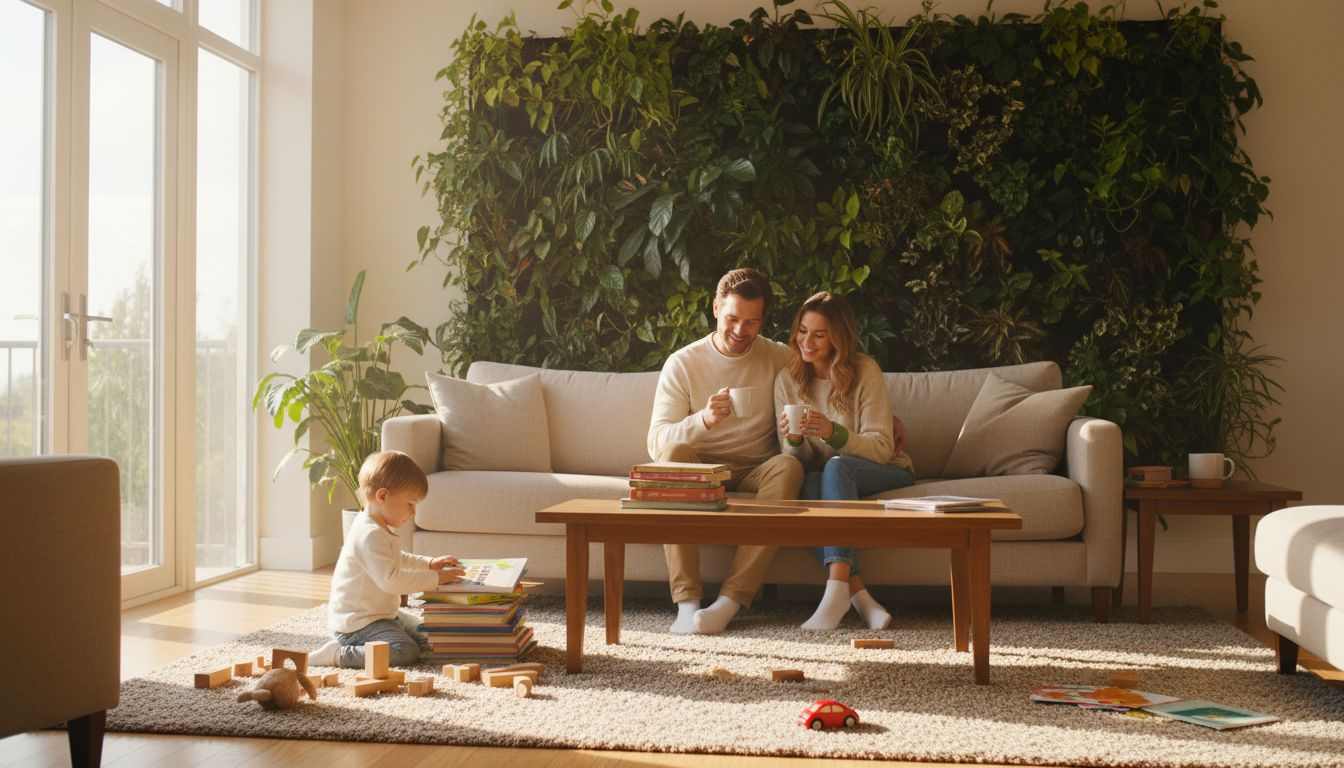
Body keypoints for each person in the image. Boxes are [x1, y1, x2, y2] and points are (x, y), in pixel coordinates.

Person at [647, 268, 804, 635]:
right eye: (732, 318)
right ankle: (687, 604)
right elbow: (656, 443)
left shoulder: (780, 357)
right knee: (672, 456)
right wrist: (703, 419)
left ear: (763, 319)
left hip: (756, 468)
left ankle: (729, 602)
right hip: (701, 468)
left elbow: (831, 381)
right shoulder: (683, 363)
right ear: (716, 307)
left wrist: (878, 417)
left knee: (789, 467)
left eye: (751, 322)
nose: (739, 331)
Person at [772, 291, 915, 631]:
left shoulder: (864, 370)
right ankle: (861, 598)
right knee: (804, 486)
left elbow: (882, 447)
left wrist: (833, 433)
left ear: (839, 337)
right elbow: (799, 462)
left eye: (819, 334)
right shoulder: (787, 380)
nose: (807, 341)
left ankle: (835, 590)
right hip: (828, 475)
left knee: (836, 464)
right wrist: (793, 441)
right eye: (802, 331)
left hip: (887, 469)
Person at [309, 450, 465, 667]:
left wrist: (428, 563)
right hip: (358, 624)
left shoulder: (377, 527)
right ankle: (338, 654)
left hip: (381, 615)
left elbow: (397, 558)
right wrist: (435, 578)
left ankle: (391, 632)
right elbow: (391, 581)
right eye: (410, 504)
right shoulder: (369, 534)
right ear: (383, 496)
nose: (413, 512)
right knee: (405, 651)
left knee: (433, 635)